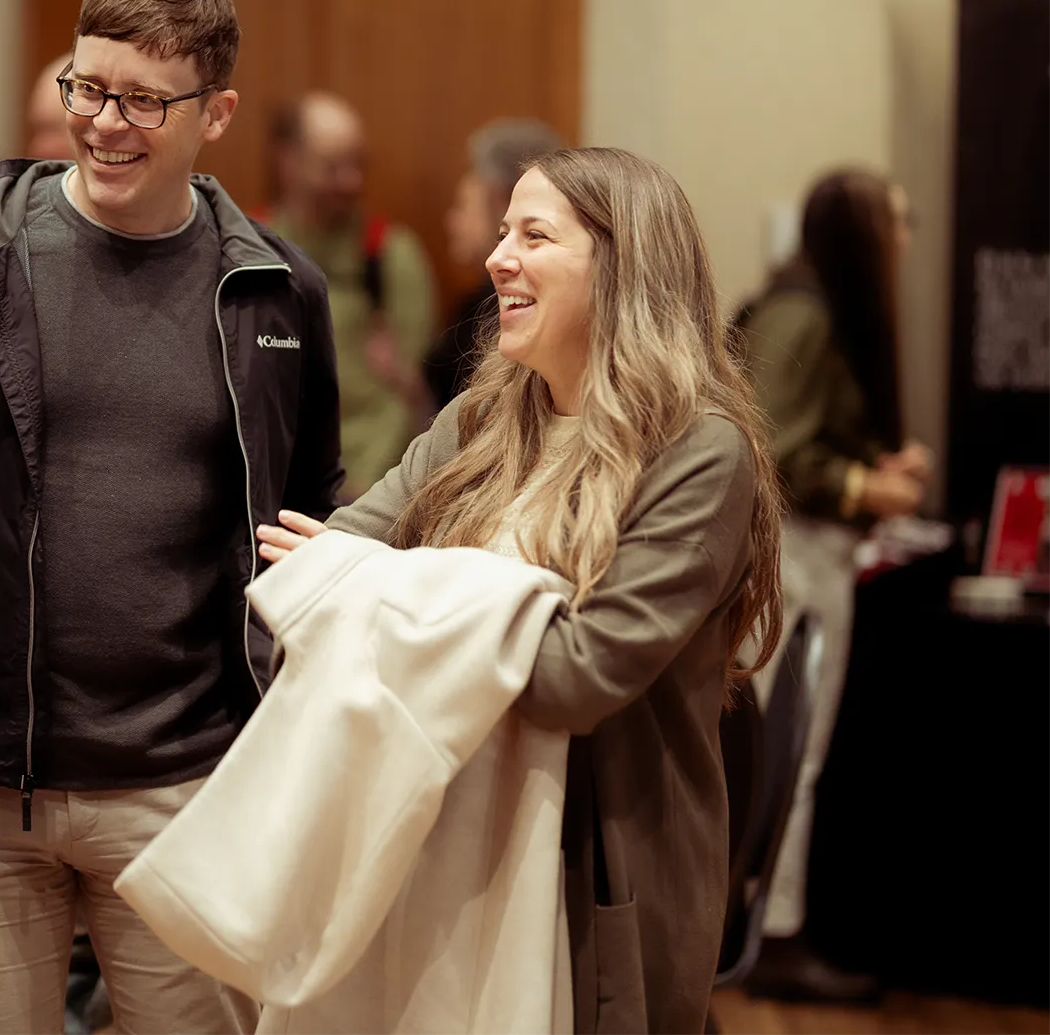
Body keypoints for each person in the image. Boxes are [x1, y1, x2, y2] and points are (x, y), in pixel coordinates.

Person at [0, 0, 342, 1035]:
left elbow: (308, 508)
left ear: (218, 112)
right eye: (86, 89)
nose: (104, 124)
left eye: (144, 100)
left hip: (190, 787)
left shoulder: (279, 293)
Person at [259, 146, 784, 1034]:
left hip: (591, 879)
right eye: (502, 230)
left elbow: (574, 679)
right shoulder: (480, 420)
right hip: (426, 848)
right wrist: (423, 588)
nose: (498, 256)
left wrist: (382, 586)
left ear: (622, 269)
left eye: (534, 235)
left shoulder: (700, 455)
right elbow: (322, 565)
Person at [737, 168, 925, 1004]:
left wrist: (871, 472)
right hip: (794, 558)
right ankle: (769, 933)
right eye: (896, 219)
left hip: (811, 556)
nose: (907, 234)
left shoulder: (810, 308)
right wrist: (862, 488)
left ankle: (767, 925)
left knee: (789, 752)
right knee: (788, 754)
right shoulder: (803, 312)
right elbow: (768, 449)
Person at [263, 92, 436, 497]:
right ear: (289, 161)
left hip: (371, 481)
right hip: (274, 480)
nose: (351, 181)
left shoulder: (392, 255)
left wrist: (367, 489)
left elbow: (408, 391)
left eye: (358, 164)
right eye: (333, 166)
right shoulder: (249, 249)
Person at [426, 117, 563, 409]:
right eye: (502, 233)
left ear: (502, 197)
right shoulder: (474, 306)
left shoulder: (515, 309)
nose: (452, 221)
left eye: (463, 205)